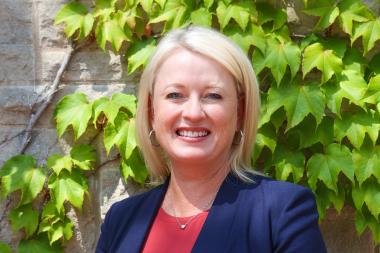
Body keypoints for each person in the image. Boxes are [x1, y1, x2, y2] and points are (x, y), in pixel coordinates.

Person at [95, 25, 327, 253]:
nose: (193, 113)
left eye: (213, 96)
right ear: (151, 112)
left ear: (240, 112)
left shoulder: (282, 213)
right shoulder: (120, 221)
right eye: (175, 95)